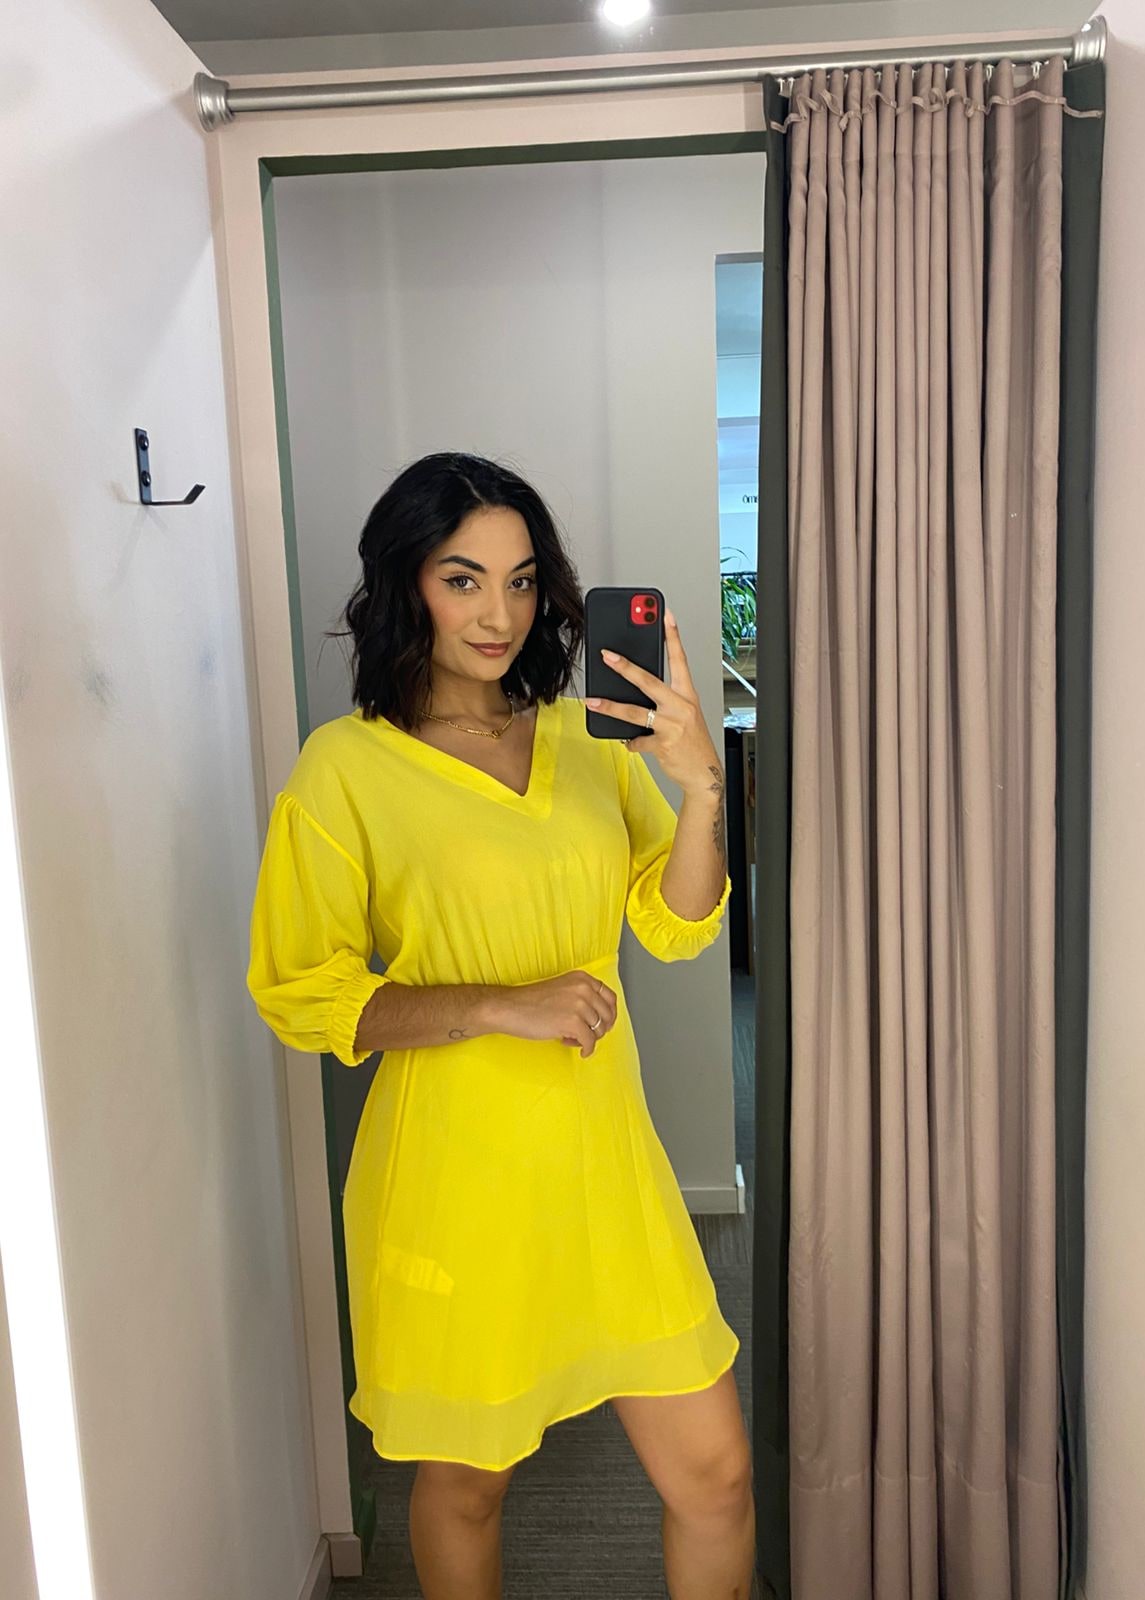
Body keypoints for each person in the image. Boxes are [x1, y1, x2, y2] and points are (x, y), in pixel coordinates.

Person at [246, 452, 755, 1599]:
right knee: (469, 1486)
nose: (499, 613)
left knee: (717, 1476)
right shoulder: (346, 770)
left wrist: (701, 788)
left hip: (605, 1166)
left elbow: (673, 924)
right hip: (455, 1181)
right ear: (406, 584)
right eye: (462, 578)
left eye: (521, 581)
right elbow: (301, 988)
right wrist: (496, 1002)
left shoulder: (584, 741)